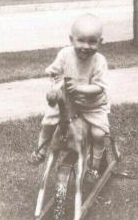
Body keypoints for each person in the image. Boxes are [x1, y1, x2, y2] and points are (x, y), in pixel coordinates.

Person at [29, 13, 110, 178]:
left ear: (100, 42)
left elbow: (99, 88)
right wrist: (55, 89)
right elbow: (54, 73)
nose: (86, 46)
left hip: (92, 105)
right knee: (49, 121)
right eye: (81, 40)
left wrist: (79, 88)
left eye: (92, 41)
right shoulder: (65, 55)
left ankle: (94, 167)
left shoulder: (99, 61)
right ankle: (41, 149)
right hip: (69, 102)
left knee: (98, 134)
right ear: (71, 39)